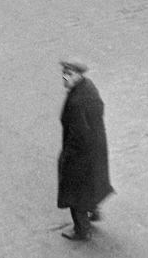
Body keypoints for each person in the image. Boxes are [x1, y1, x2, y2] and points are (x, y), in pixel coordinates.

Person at [57, 59, 113, 242]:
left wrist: (67, 157)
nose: (65, 77)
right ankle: (94, 210)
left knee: (75, 191)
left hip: (80, 153)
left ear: (78, 75)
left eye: (70, 74)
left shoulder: (76, 102)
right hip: (97, 148)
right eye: (64, 73)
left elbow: (78, 134)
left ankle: (82, 230)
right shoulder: (89, 87)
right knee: (92, 184)